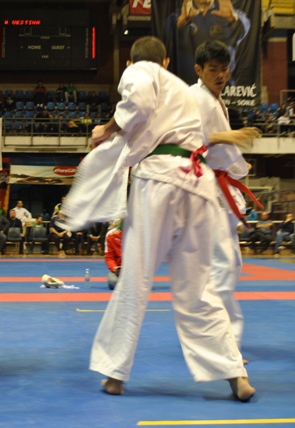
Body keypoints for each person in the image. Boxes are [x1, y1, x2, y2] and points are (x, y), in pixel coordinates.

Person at [60, 36, 253, 400]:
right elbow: (213, 149)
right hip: (198, 183)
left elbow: (138, 103)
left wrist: (106, 129)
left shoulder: (141, 71)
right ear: (166, 61)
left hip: (160, 179)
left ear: (132, 63)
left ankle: (115, 374)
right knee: (198, 287)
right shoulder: (184, 91)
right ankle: (235, 374)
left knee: (135, 278)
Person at [189, 40, 262, 352]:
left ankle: (223, 340)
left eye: (224, 69)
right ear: (199, 70)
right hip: (207, 187)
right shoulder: (196, 98)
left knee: (228, 265)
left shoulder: (215, 101)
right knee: (223, 266)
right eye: (213, 69)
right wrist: (227, 137)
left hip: (220, 186)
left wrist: (235, 160)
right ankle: (222, 344)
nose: (220, 75)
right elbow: (191, 139)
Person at [104, 219, 123, 290]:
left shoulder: (138, 235)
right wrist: (114, 268)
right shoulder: (110, 235)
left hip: (134, 270)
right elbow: (109, 257)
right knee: (113, 282)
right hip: (118, 269)